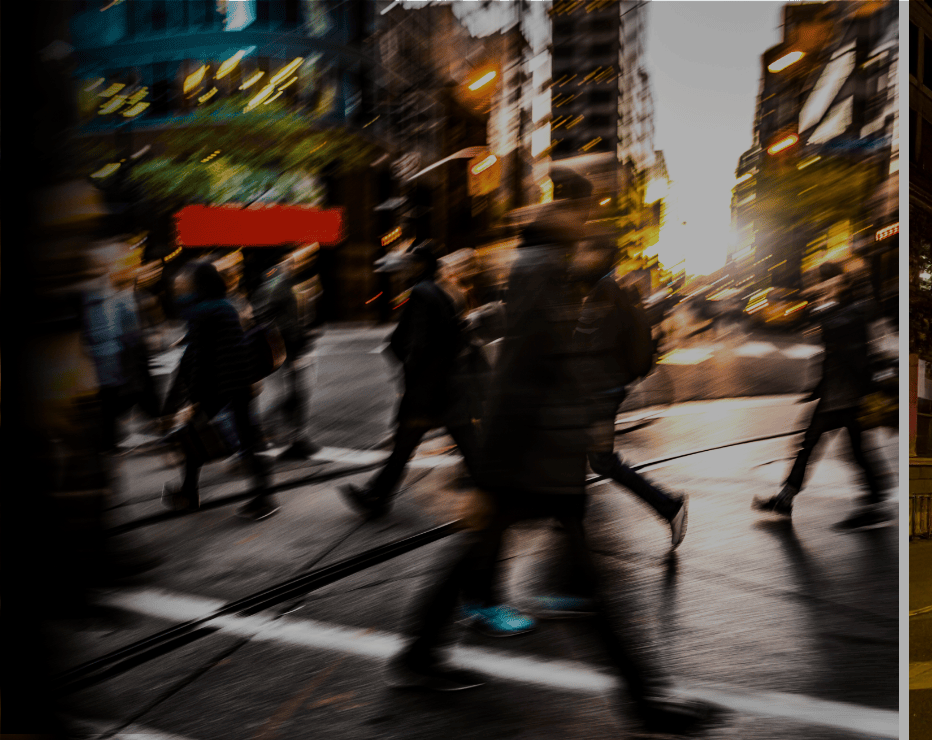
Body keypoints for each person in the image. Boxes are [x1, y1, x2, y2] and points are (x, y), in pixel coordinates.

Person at [389, 169, 718, 735]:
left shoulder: (548, 271)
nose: (592, 226)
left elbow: (548, 369)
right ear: (569, 215)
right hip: (530, 461)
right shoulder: (542, 273)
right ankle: (645, 703)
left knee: (495, 562)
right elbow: (521, 378)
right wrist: (491, 476)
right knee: (581, 586)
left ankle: (419, 654)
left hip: (539, 457)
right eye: (586, 212)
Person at [341, 242, 480, 520]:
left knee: (410, 444)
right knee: (457, 443)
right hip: (447, 385)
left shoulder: (420, 293)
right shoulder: (441, 292)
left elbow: (418, 345)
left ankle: (377, 496)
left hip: (426, 389)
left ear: (420, 265)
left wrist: (410, 377)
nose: (406, 269)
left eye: (411, 264)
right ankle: (377, 495)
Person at [753, 261, 892, 530]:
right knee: (811, 445)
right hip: (833, 394)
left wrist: (823, 308)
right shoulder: (839, 308)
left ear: (840, 280)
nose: (820, 285)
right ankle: (786, 497)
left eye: (825, 280)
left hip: (850, 396)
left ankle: (876, 503)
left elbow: (846, 341)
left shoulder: (853, 309)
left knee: (854, 451)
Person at [576, 235, 689, 553]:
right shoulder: (601, 290)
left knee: (603, 461)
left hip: (601, 396)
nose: (580, 256)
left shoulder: (605, 292)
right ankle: (568, 515)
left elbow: (594, 347)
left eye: (587, 250)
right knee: (582, 453)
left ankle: (669, 506)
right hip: (600, 392)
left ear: (600, 256)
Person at [160, 260, 277, 520]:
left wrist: (194, 399)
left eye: (188, 279)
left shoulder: (202, 310)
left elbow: (199, 358)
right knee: (243, 439)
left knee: (199, 433)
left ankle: (261, 499)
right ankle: (191, 492)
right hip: (238, 382)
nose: (183, 284)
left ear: (198, 283)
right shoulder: (223, 305)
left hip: (221, 385)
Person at [81, 241, 161, 451]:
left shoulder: (106, 289)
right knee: (121, 396)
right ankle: (109, 442)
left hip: (119, 352)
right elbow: (110, 326)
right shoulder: (97, 291)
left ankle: (111, 441)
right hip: (113, 354)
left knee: (120, 396)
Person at [255, 243, 322, 460]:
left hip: (297, 346)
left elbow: (303, 312)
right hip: (287, 348)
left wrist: (309, 330)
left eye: (309, 256)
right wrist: (291, 334)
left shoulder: (297, 280)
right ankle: (265, 432)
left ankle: (295, 438)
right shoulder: (278, 282)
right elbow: (264, 314)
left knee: (298, 393)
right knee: (292, 394)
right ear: (289, 258)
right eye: (301, 256)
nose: (306, 260)